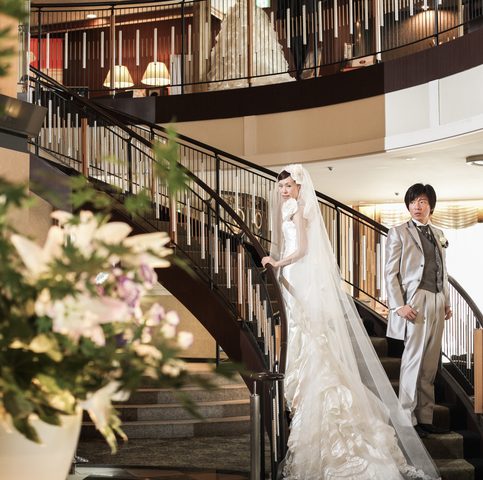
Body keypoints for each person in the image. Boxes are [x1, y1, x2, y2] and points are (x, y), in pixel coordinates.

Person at [261, 165, 439, 480]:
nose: (284, 190)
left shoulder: (301, 210)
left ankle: (317, 400)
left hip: (296, 272)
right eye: (281, 186)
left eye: (288, 185)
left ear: (299, 186)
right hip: (293, 275)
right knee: (300, 332)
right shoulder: (290, 208)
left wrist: (278, 262)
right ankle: (300, 392)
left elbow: (302, 249)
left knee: (309, 335)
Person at [385, 183, 452, 439]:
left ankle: (425, 417)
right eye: (413, 202)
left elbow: (443, 270)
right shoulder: (398, 232)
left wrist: (446, 301)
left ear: (430, 206)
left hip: (437, 300)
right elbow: (390, 273)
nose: (417, 206)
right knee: (413, 360)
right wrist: (398, 305)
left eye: (422, 201)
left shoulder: (439, 233)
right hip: (415, 300)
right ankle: (406, 418)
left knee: (430, 364)